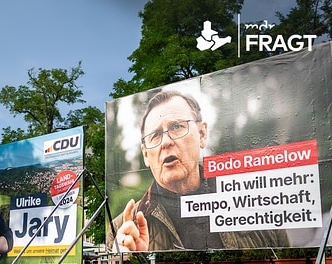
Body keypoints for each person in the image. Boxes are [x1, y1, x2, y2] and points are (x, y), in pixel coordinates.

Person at [107, 90, 289, 252]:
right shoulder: (121, 229)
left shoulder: (256, 208)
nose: (166, 142)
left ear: (202, 134)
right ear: (146, 155)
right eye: (155, 135)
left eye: (177, 126)